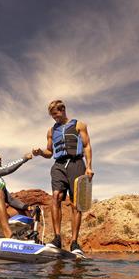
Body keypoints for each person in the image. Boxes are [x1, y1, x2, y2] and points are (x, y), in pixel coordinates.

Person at [32, 99, 94, 255]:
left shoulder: (79, 125)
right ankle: (57, 238)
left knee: (75, 204)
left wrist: (89, 167)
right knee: (56, 197)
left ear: (63, 110)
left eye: (56, 114)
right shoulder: (51, 131)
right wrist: (40, 152)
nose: (55, 118)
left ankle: (74, 243)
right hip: (59, 165)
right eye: (52, 116)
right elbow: (49, 153)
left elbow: (86, 146)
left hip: (76, 163)